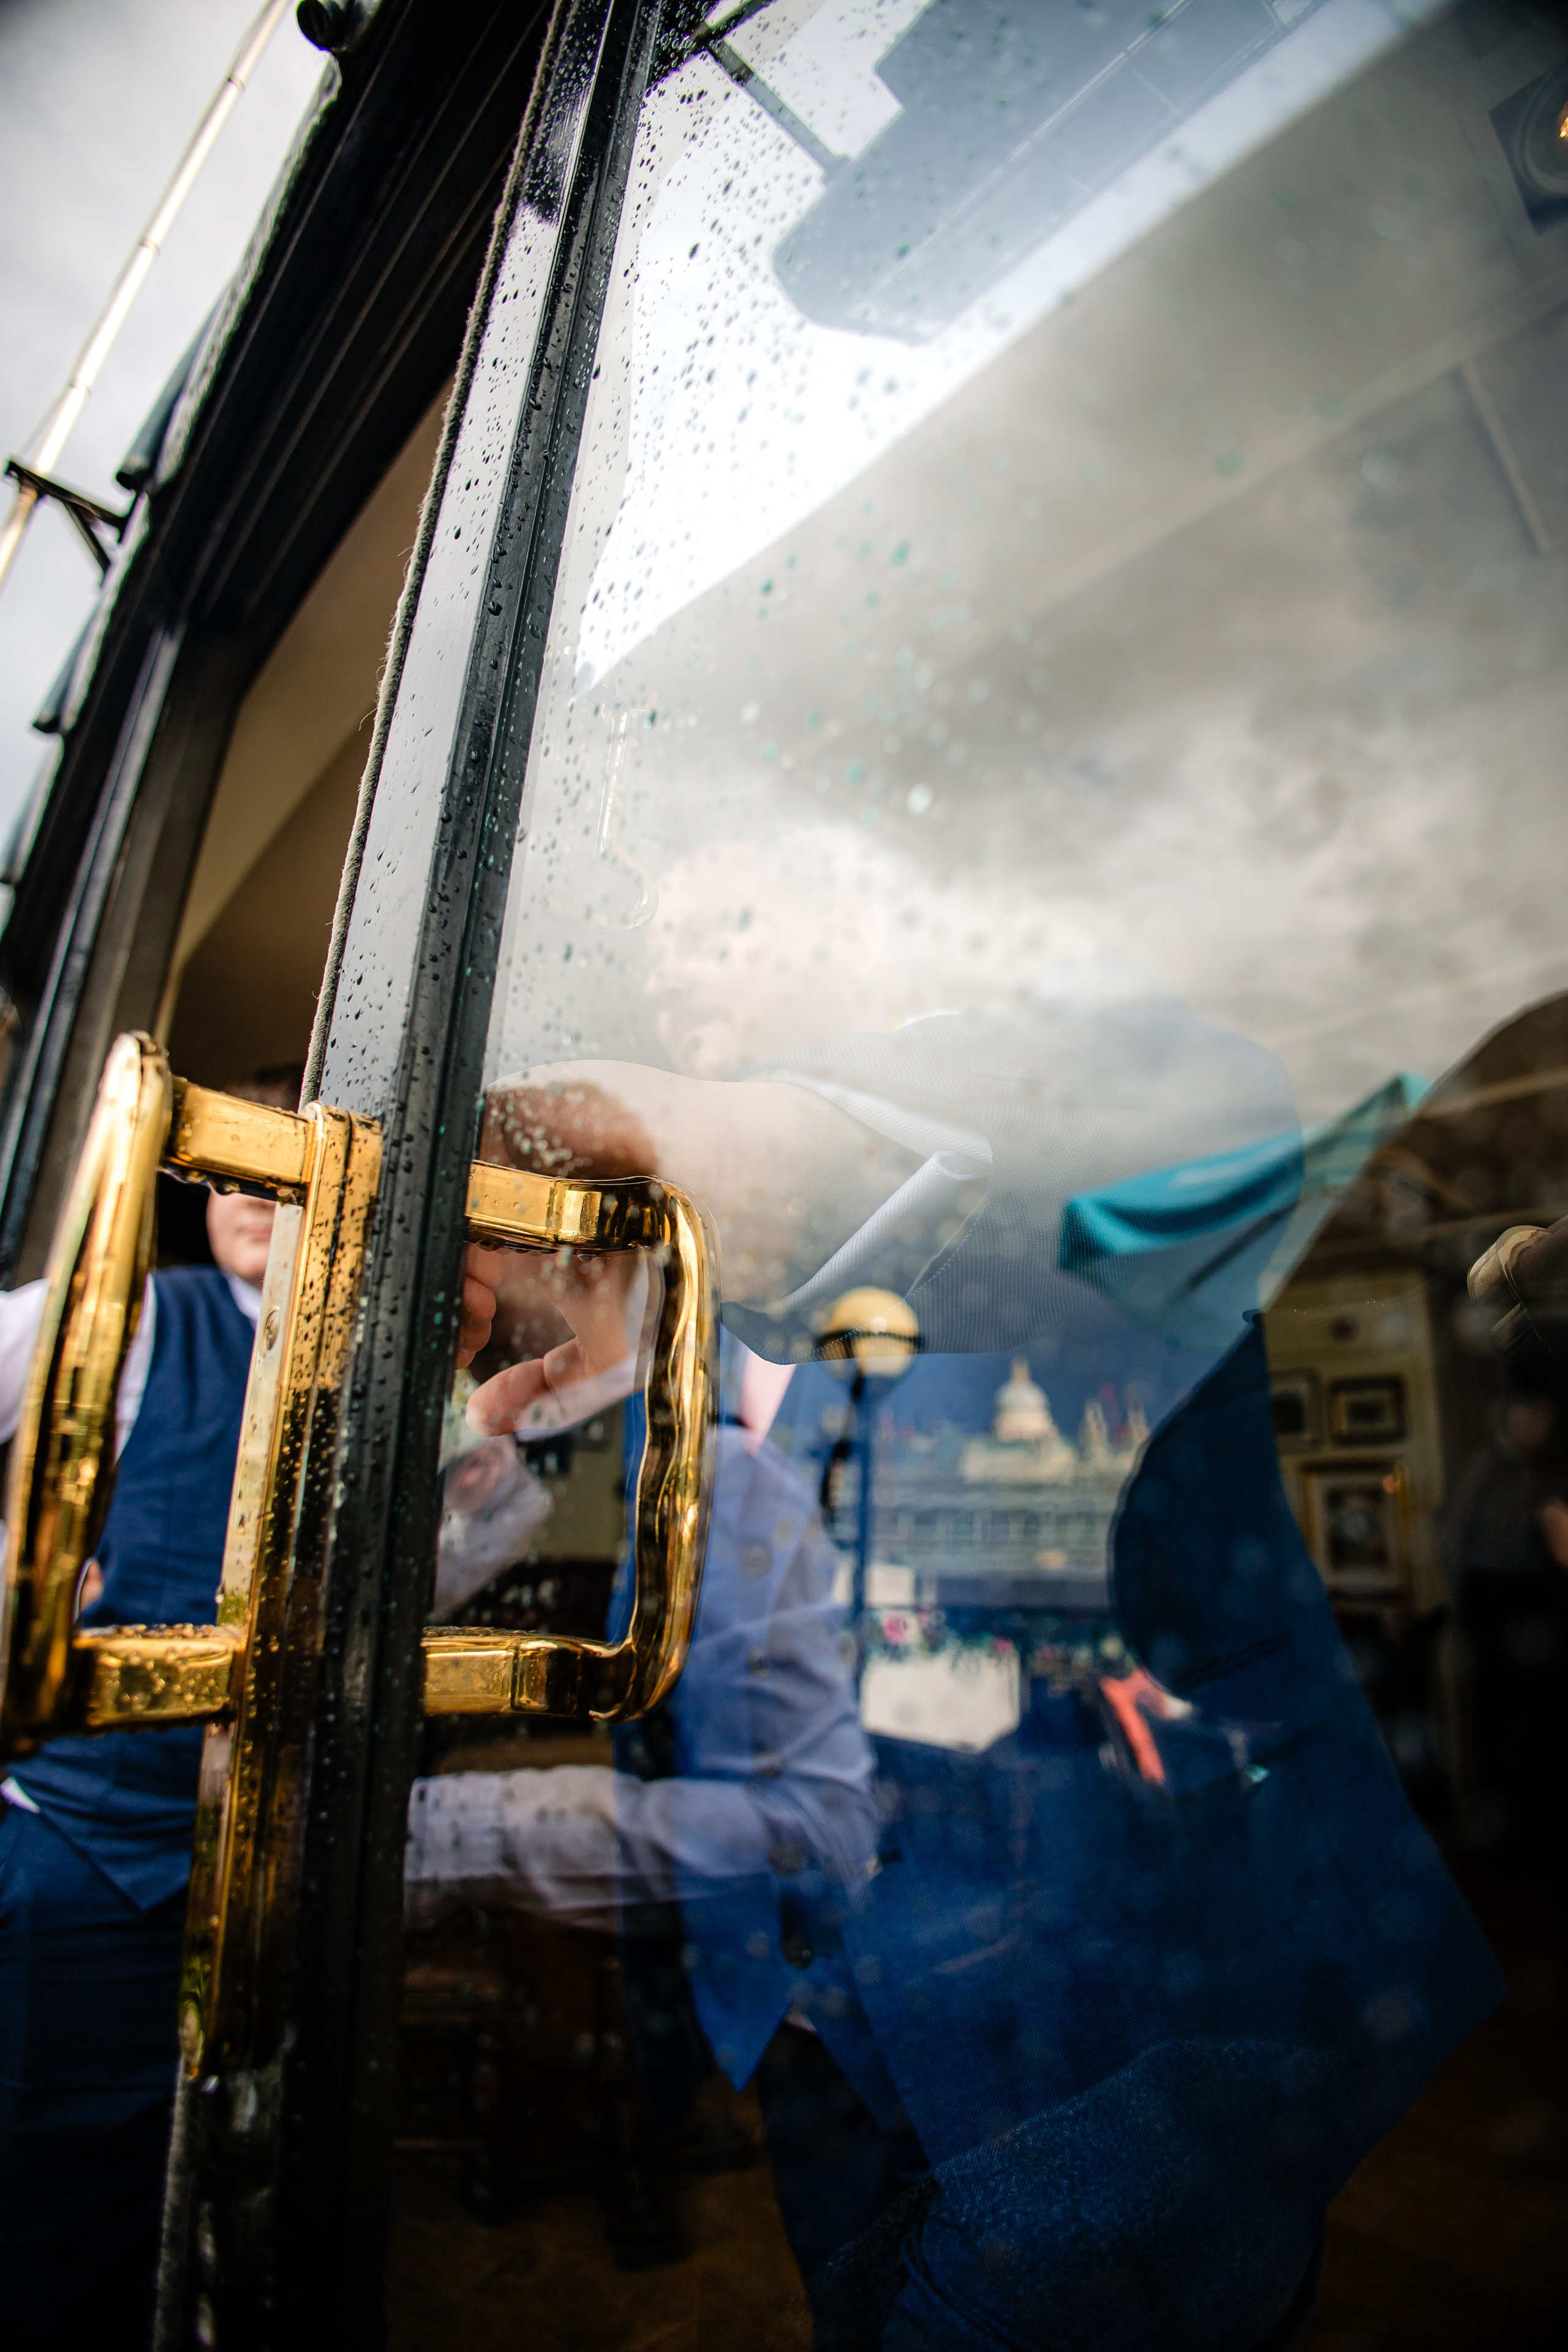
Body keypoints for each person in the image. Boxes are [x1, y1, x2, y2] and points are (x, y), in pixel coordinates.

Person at [421, 1001, 1504, 2352]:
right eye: (667, 931)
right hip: (826, 2040)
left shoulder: (1126, 1095)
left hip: (1119, 2052)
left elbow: (1175, 1135)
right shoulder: (678, 1315)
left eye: (738, 914)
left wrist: (757, 1145)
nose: (696, 969)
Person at [0, 1102, 284, 2352]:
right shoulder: (138, 1316)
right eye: (231, 1172)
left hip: (261, 1866)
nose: (249, 1193)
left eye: (280, 1170)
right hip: (89, 1851)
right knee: (55, 2198)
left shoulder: (385, 1373)